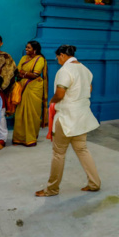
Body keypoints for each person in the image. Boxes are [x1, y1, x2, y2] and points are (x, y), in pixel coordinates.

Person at [36, 45, 102, 196]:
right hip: (81, 117)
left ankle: (52, 189)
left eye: (57, 57)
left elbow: (60, 93)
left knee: (58, 153)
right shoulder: (85, 70)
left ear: (62, 55)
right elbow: (89, 89)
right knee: (82, 150)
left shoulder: (65, 70)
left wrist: (52, 102)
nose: (57, 60)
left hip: (66, 118)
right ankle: (94, 183)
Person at [12, 41, 48, 147]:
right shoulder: (24, 58)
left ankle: (30, 138)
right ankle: (19, 138)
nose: (26, 49)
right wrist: (25, 74)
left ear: (35, 49)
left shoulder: (40, 59)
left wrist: (23, 73)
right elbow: (17, 72)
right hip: (22, 87)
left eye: (29, 48)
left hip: (34, 88)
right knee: (20, 113)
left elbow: (35, 75)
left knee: (32, 113)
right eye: (26, 47)